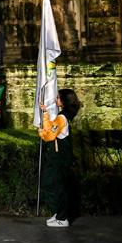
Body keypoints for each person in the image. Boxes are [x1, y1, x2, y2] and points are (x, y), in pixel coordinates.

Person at [40, 89, 80, 228]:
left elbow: (50, 135)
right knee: (54, 185)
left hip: (60, 158)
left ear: (63, 101)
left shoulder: (62, 117)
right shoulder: (63, 116)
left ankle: (62, 218)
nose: (56, 99)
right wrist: (45, 114)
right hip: (60, 157)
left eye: (58, 97)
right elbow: (52, 129)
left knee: (58, 186)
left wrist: (42, 133)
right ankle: (59, 214)